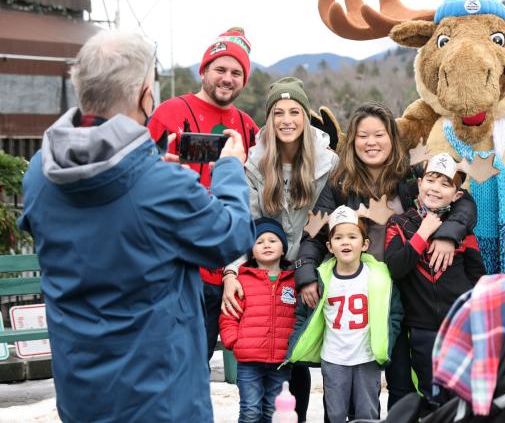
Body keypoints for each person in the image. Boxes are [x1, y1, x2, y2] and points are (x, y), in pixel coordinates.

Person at [18, 31, 254, 421]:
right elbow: (231, 236)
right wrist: (229, 167)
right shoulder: (159, 188)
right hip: (160, 399)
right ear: (147, 94)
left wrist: (157, 177)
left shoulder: (40, 173)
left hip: (81, 393)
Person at [293, 102, 477, 408]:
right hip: (358, 291)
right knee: (349, 386)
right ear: (352, 141)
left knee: (405, 380)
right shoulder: (339, 184)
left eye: (378, 134)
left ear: (392, 137)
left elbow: (462, 200)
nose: (371, 142)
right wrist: (306, 272)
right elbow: (314, 233)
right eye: (363, 136)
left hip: (406, 287)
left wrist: (448, 234)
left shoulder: (411, 173)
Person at [219, 77, 338, 421]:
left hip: (310, 265)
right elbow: (242, 222)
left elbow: (330, 219)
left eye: (295, 111)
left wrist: (313, 268)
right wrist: (231, 271)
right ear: (269, 120)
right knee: (273, 353)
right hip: (267, 269)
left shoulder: (327, 163)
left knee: (299, 353)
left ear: (305, 116)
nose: (287, 120)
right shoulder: (255, 163)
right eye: (278, 113)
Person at [147, 26, 260, 363]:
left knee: (204, 369)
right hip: (177, 270)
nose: (228, 78)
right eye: (220, 69)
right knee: (171, 364)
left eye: (236, 73)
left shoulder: (247, 125)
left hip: (226, 271)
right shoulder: (169, 113)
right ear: (204, 70)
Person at [384, 153, 487, 412]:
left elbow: (478, 278)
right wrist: (423, 232)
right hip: (422, 329)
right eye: (431, 180)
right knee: (431, 395)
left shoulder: (462, 230)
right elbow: (396, 268)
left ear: (456, 195)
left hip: (460, 328)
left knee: (462, 395)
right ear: (419, 183)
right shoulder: (398, 223)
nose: (435, 188)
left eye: (445, 184)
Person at [287, 206, 402, 422]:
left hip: (367, 357)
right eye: (338, 238)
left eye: (352, 236)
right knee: (335, 412)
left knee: (367, 411)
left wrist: (387, 340)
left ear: (365, 244)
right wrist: (296, 340)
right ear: (329, 246)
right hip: (334, 358)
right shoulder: (321, 277)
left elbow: (394, 312)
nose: (345, 242)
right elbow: (304, 314)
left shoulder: (378, 276)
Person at [220, 218, 298, 423]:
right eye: (259, 241)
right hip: (249, 360)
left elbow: (300, 317)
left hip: (281, 361)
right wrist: (234, 342)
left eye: (272, 240)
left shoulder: (293, 280)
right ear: (251, 251)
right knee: (250, 409)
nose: (266, 245)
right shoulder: (242, 281)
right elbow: (228, 315)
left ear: (283, 249)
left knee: (274, 410)